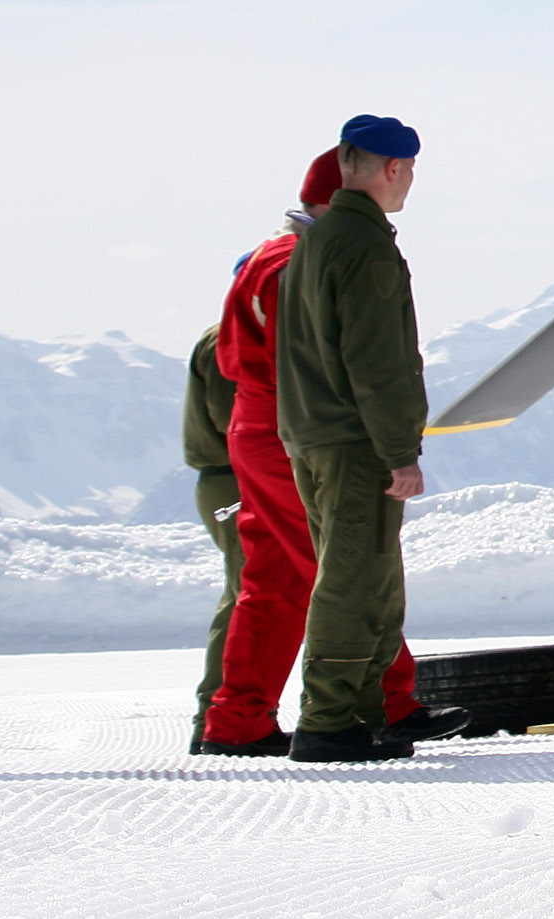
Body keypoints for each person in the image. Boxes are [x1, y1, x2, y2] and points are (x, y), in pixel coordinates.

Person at [200, 148, 429, 759]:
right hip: (295, 425)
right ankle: (378, 703)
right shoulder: (302, 259)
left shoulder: (264, 258)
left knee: (276, 576)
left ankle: (236, 718)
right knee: (345, 566)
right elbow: (321, 355)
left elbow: (229, 358)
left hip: (258, 423)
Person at [281, 114, 465, 763]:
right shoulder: (363, 245)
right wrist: (399, 452)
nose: (410, 181)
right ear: (392, 169)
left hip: (314, 434)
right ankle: (328, 717)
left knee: (369, 576)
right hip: (354, 440)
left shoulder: (317, 240)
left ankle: (357, 714)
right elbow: (377, 357)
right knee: (357, 579)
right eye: (409, 170)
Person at [182, 321, 241, 753]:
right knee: (248, 593)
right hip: (236, 477)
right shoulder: (231, 336)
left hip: (235, 475)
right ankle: (215, 716)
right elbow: (235, 417)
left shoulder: (230, 332)